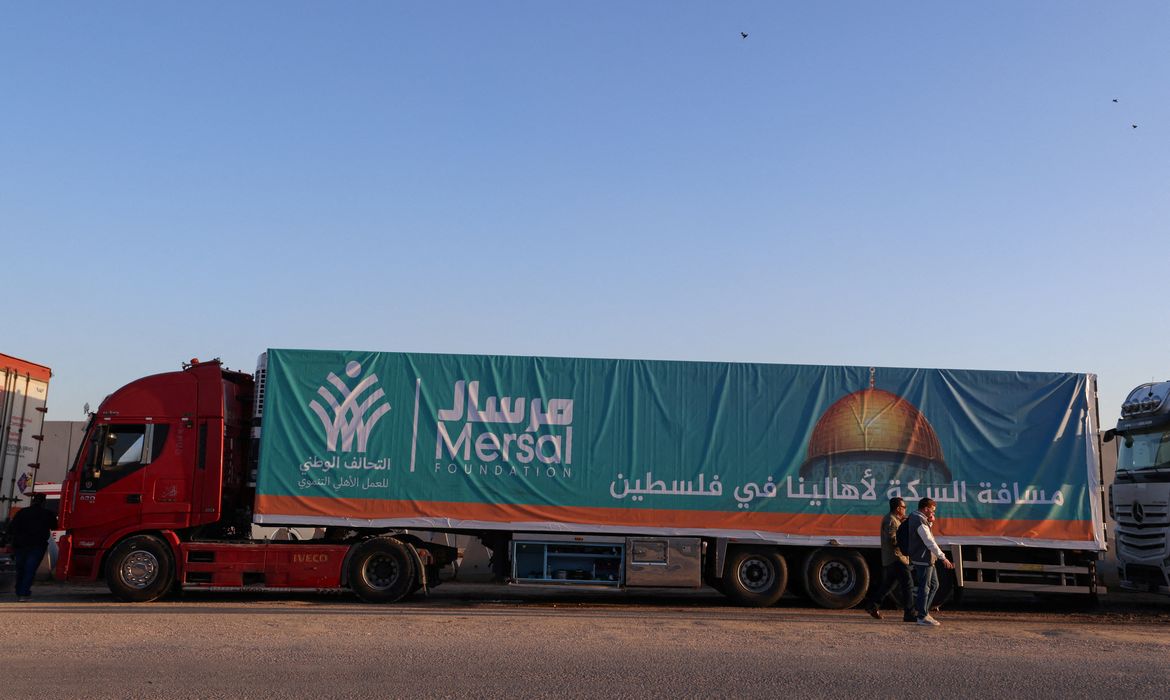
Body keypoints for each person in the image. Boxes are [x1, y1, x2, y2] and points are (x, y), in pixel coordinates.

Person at [861, 497, 915, 622]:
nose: (905, 510)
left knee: (888, 585)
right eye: (904, 507)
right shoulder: (891, 520)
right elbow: (893, 539)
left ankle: (872, 605)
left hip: (893, 558)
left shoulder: (895, 519)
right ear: (898, 508)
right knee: (908, 585)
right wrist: (907, 544)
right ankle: (909, 613)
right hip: (896, 558)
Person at [907, 497, 954, 626]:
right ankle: (922, 616)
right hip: (923, 558)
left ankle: (924, 612)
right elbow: (929, 541)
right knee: (925, 587)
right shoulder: (919, 520)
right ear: (925, 508)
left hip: (927, 558)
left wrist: (930, 522)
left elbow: (926, 534)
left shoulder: (920, 518)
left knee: (934, 585)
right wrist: (943, 557)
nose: (933, 513)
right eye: (932, 510)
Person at [9, 493, 57, 602]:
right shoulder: (48, 514)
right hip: (37, 545)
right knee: (30, 569)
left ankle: (19, 590)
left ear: (33, 501)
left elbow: (11, 528)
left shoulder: (22, 512)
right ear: (44, 502)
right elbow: (55, 526)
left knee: (20, 569)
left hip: (20, 545)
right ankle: (23, 594)